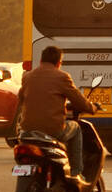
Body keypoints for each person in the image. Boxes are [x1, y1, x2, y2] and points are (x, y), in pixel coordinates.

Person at [17, 46, 96, 180]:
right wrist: (92, 108)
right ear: (59, 63)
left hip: (27, 131)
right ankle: (76, 172)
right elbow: (79, 100)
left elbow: (21, 98)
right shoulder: (62, 77)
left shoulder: (28, 76)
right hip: (52, 131)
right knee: (76, 128)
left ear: (41, 60)